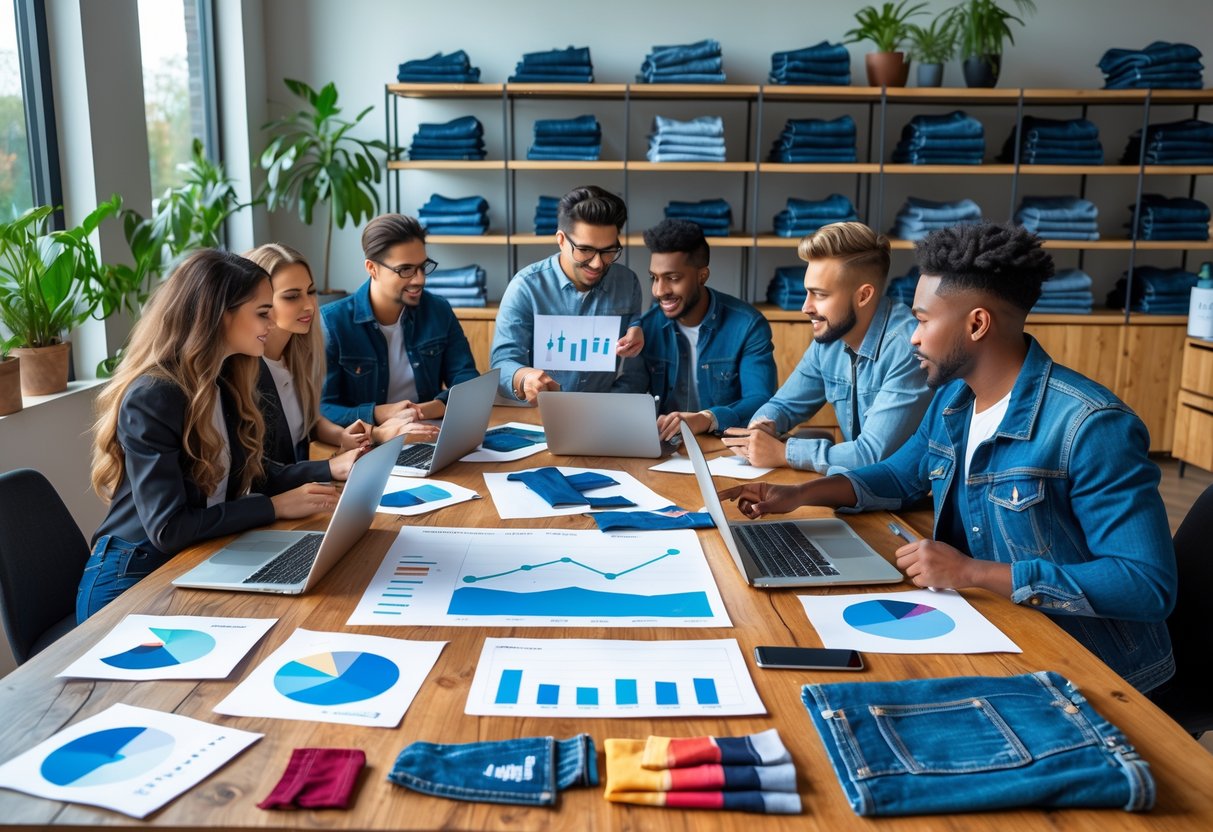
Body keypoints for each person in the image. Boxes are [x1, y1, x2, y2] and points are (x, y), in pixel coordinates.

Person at [722, 222, 1177, 694]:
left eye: (922, 320)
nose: (913, 338)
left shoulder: (1092, 425)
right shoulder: (954, 399)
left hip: (1097, 673)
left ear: (976, 324)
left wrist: (970, 572)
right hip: (1000, 633)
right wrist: (799, 495)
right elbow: (899, 476)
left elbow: (1146, 584)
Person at [80, 249, 362, 621]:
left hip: (197, 558)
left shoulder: (226, 378)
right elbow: (169, 528)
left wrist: (329, 471)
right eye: (263, 312)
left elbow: (251, 473)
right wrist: (274, 506)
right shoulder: (154, 395)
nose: (272, 321)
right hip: (133, 576)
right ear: (219, 315)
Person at [721, 222, 931, 473]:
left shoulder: (907, 349)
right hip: (857, 490)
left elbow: (871, 455)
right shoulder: (830, 338)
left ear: (863, 296)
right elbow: (783, 406)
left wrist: (782, 452)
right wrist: (763, 426)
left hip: (904, 504)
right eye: (807, 293)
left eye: (819, 295)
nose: (805, 307)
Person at [245, 243, 414, 466]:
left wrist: (341, 436)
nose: (308, 305)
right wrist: (330, 467)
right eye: (292, 296)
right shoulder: (248, 371)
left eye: (311, 292)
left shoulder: (297, 356)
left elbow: (308, 421)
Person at [320, 213, 479, 430]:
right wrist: (378, 413)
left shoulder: (438, 310)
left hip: (428, 432)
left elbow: (467, 380)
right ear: (372, 268)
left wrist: (434, 407)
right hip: (368, 444)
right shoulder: (333, 323)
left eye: (423, 267)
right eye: (405, 269)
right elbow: (323, 407)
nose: (420, 279)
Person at [622, 217, 777, 440]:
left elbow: (760, 400)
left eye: (672, 278)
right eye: (654, 278)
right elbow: (631, 392)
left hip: (726, 445)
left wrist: (707, 418)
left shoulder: (748, 325)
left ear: (702, 276)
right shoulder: (648, 327)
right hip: (667, 447)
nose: (659, 290)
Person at [490, 185, 644, 403]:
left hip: (604, 412)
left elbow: (635, 371)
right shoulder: (525, 287)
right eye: (585, 250)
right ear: (561, 240)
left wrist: (612, 404)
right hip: (538, 413)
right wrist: (524, 378)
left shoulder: (628, 283)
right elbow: (502, 363)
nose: (597, 263)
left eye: (608, 250)